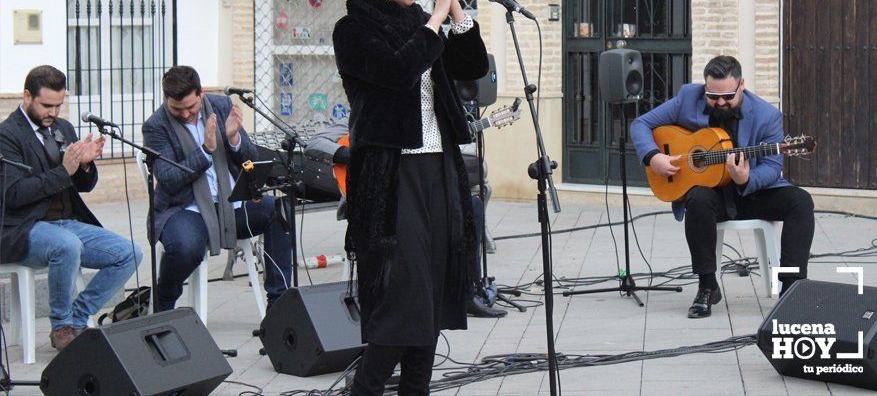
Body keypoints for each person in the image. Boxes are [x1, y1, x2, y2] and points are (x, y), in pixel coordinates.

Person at [333, 0, 489, 395]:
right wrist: (434, 20)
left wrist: (454, 8)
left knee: (431, 298)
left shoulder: (424, 20)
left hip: (437, 168)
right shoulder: (354, 29)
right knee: (401, 299)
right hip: (391, 175)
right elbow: (398, 71)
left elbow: (473, 66)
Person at [630, 55, 814, 319]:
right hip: (710, 195)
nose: (720, 103)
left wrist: (746, 179)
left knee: (801, 201)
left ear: (741, 85)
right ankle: (707, 286)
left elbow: (773, 168)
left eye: (727, 96)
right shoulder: (687, 97)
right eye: (712, 96)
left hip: (751, 194)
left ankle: (791, 289)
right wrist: (653, 156)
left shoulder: (767, 115)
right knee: (697, 200)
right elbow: (641, 124)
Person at [0, 65, 142, 351]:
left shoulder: (63, 128)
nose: (53, 112)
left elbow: (83, 186)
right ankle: (60, 326)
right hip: (23, 227)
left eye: (59, 105)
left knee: (129, 253)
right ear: (27, 96)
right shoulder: (7, 135)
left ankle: (77, 319)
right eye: (47, 105)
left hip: (67, 222)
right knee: (66, 246)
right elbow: (13, 194)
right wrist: (65, 171)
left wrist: (85, 164)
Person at [306, 116, 505, 319]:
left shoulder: (422, 118)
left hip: (416, 190)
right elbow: (314, 144)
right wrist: (354, 155)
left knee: (473, 205)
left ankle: (467, 291)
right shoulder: (358, 113)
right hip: (374, 197)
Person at [141, 66, 292, 312]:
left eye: (191, 107)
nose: (186, 114)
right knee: (185, 248)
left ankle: (279, 306)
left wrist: (233, 139)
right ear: (165, 99)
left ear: (200, 93)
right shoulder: (156, 126)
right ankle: (164, 303)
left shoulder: (221, 107)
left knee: (279, 210)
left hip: (230, 203)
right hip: (185, 208)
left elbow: (249, 160)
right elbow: (168, 178)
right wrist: (205, 151)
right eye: (176, 109)